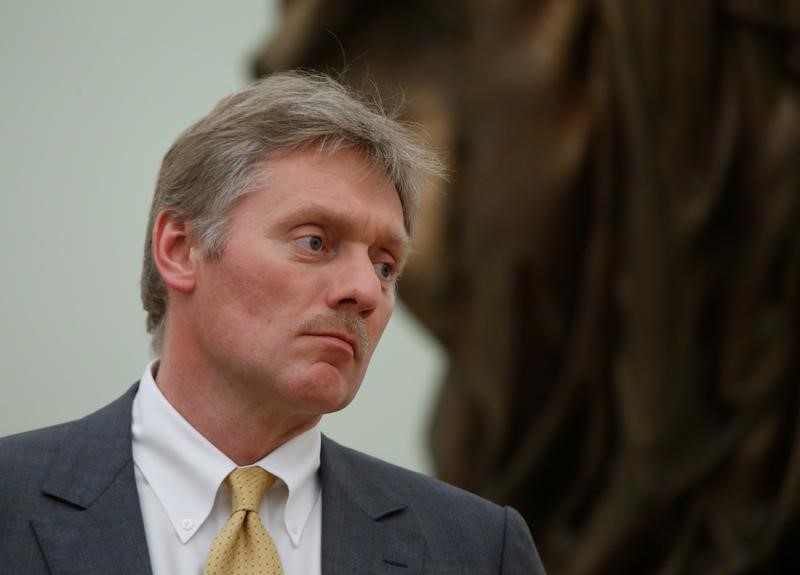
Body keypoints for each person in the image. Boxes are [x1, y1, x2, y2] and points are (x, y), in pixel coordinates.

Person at [0, 71, 545, 574]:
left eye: (385, 264)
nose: (364, 290)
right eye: (315, 241)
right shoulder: (12, 501)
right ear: (181, 249)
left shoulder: (476, 550)